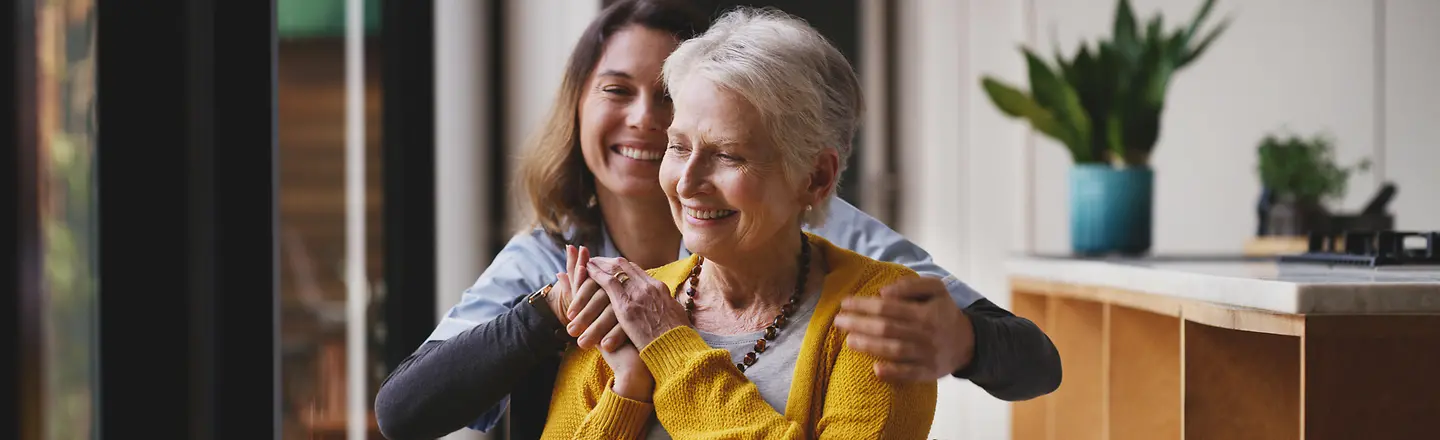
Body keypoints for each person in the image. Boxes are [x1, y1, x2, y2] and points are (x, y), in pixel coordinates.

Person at [373, 1, 1060, 439]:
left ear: (814, 180)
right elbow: (404, 410)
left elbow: (1032, 358)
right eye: (619, 92)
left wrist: (964, 340)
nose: (646, 122)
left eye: (727, 151)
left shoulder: (859, 276)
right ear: (577, 105)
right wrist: (612, 371)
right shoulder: (559, 265)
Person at [543, 9, 934, 437]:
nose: (687, 183)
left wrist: (670, 349)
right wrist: (628, 391)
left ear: (816, 177)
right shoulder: (627, 309)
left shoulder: (887, 314)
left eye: (728, 155)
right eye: (677, 146)